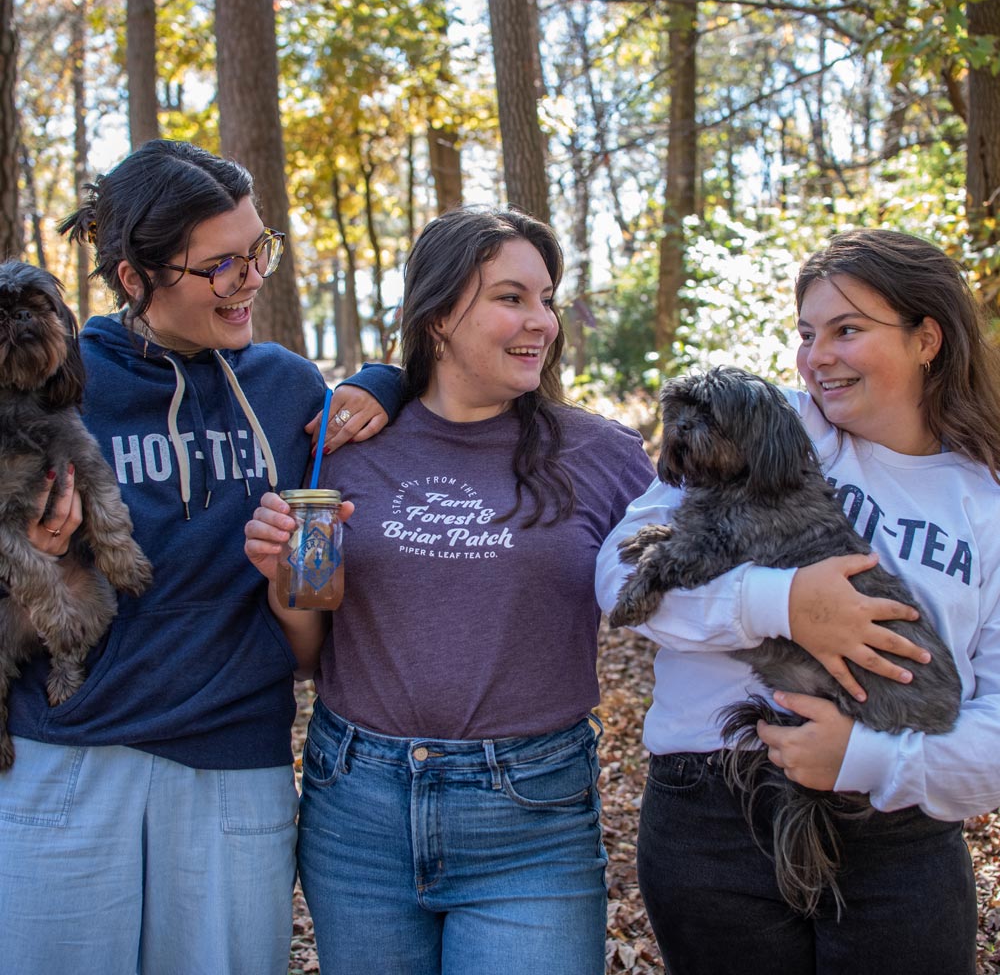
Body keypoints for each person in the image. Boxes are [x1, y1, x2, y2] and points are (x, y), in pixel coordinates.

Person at [0, 139, 399, 975]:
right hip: (65, 759)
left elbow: (430, 404)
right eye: (220, 266)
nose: (250, 280)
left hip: (233, 765)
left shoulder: (289, 388)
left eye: (258, 253)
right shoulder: (51, 385)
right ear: (132, 277)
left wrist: (386, 382)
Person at [245, 205, 655, 975]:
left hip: (532, 820)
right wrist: (282, 583)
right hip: (355, 810)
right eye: (511, 298)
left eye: (546, 299)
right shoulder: (345, 447)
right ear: (435, 318)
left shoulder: (603, 456)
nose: (541, 322)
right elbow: (309, 651)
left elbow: (701, 580)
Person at [596, 228, 1000, 974]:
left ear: (927, 339)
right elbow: (623, 581)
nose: (817, 358)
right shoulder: (768, 421)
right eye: (808, 334)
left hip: (900, 836)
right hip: (712, 817)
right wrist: (783, 604)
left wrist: (868, 758)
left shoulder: (985, 502)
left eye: (847, 330)